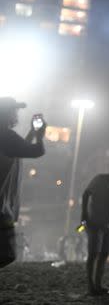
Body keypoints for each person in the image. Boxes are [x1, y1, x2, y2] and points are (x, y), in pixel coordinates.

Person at [0, 97, 45, 269]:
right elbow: (36, 151)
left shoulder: (6, 137)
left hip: (3, 206)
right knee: (6, 253)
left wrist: (32, 133)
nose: (17, 113)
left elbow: (19, 150)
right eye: (14, 110)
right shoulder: (5, 135)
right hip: (1, 208)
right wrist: (40, 136)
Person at [82, 158, 109, 294]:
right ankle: (91, 285)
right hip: (93, 221)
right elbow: (86, 194)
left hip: (106, 224)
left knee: (104, 254)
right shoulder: (100, 179)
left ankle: (97, 284)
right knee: (93, 253)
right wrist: (84, 214)